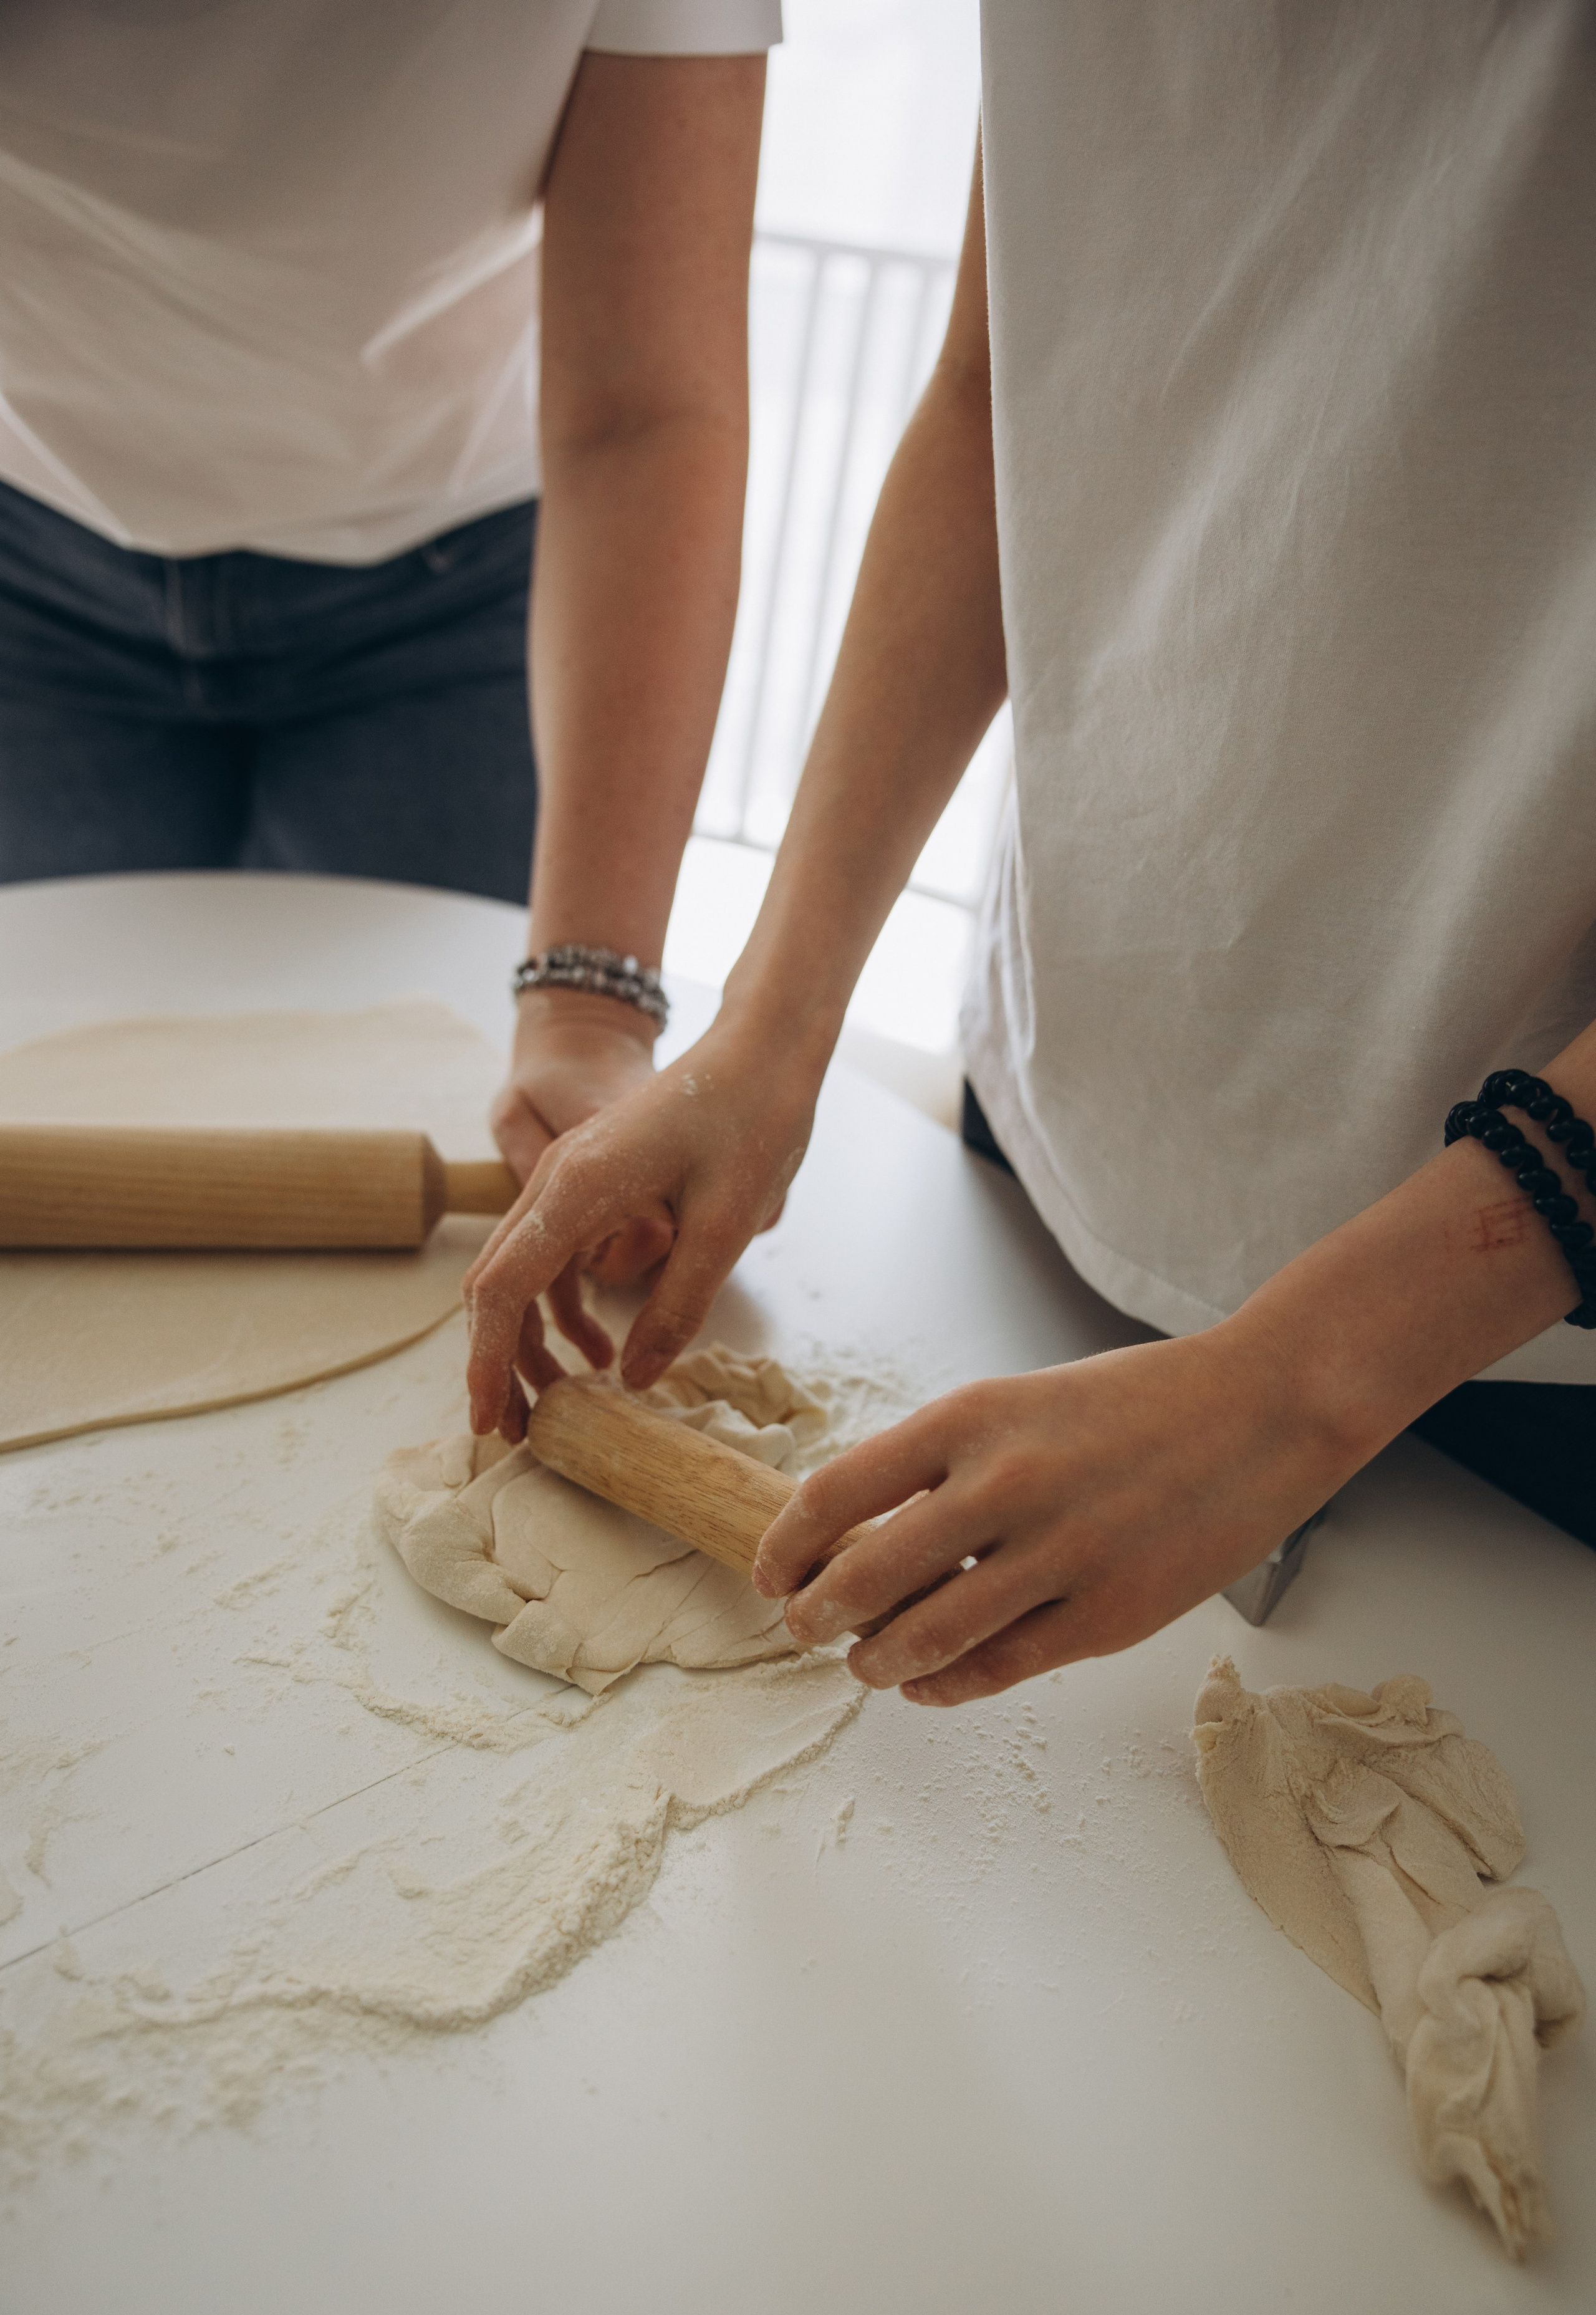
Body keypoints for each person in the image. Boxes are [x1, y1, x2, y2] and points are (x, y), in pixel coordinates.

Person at [463, 2, 1596, 1706]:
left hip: (1526, 1333)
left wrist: (1296, 1381)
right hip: (1064, 1135)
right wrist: (771, 1030)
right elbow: (1008, 401)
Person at [0, 0, 774, 1208]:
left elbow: (642, 410)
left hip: (456, 588)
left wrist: (588, 1008)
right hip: (28, 554)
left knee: (481, 1131)